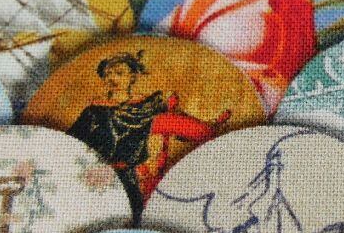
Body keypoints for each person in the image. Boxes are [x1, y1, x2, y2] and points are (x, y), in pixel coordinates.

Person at [67, 52, 226, 211]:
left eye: (119, 73)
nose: (112, 78)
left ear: (132, 77)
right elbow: (70, 141)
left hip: (131, 177)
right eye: (108, 74)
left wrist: (206, 127)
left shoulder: (144, 108)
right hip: (100, 178)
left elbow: (178, 124)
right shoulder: (94, 111)